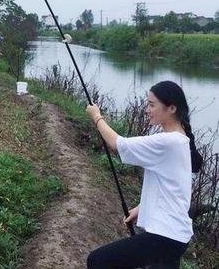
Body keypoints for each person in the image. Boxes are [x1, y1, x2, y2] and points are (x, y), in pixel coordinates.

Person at [86, 80, 203, 269]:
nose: (147, 109)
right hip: (174, 237)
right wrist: (142, 207)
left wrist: (97, 117)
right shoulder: (180, 141)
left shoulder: (169, 142)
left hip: (165, 237)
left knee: (97, 261)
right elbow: (172, 187)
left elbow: (118, 144)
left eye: (151, 105)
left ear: (171, 108)